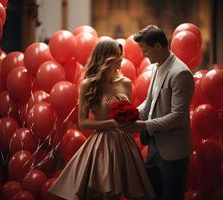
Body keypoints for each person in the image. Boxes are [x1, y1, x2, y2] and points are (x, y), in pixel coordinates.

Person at [49, 39, 156, 200]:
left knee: (120, 193)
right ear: (106, 58)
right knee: (102, 193)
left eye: (121, 55)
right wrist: (110, 123)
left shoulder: (126, 83)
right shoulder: (88, 85)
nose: (121, 59)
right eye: (117, 56)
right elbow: (83, 122)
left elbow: (127, 114)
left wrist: (133, 120)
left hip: (123, 144)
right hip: (100, 145)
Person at [121, 25, 195, 200]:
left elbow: (178, 116)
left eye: (145, 50)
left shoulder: (181, 73)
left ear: (158, 47)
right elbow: (151, 100)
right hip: (154, 147)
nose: (143, 54)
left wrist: (143, 125)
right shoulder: (155, 66)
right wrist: (131, 113)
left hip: (173, 151)